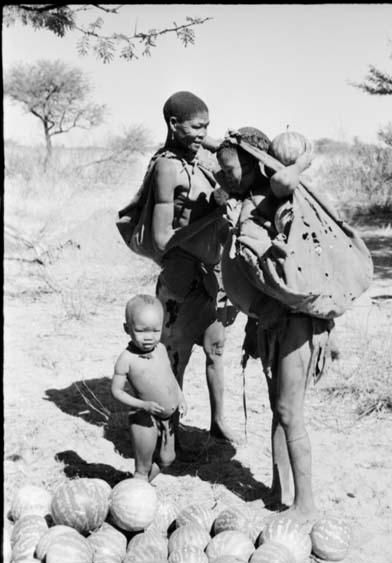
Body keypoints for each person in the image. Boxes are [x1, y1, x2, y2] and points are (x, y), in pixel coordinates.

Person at [215, 127, 329, 523]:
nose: (222, 175)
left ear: (253, 164)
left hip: (295, 322)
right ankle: (280, 491)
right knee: (277, 410)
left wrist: (301, 161)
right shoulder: (249, 198)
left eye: (229, 169)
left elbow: (283, 179)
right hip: (270, 320)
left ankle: (306, 504)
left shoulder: (276, 195)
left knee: (288, 411)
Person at [143, 91, 239, 449]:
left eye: (207, 127)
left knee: (215, 351)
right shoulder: (167, 167)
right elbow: (163, 238)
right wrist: (210, 216)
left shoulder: (202, 159)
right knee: (176, 359)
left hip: (213, 277)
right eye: (196, 127)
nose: (203, 133)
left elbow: (230, 153)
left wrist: (211, 138)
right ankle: (170, 436)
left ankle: (217, 423)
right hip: (181, 280)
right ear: (173, 124)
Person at [111, 294, 187, 481]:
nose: (149, 337)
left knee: (168, 459)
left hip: (168, 417)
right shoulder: (127, 359)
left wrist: (180, 397)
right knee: (142, 467)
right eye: (141, 331)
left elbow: (170, 376)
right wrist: (143, 405)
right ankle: (139, 486)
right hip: (145, 418)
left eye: (155, 330)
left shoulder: (160, 349)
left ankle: (139, 487)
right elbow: (116, 391)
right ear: (127, 329)